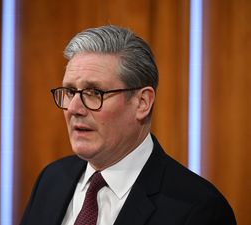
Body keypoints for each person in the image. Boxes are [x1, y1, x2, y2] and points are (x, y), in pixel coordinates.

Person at [20, 25, 236, 225]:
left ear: (142, 103)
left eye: (94, 92)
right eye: (69, 92)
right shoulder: (51, 179)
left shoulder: (200, 210)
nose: (74, 109)